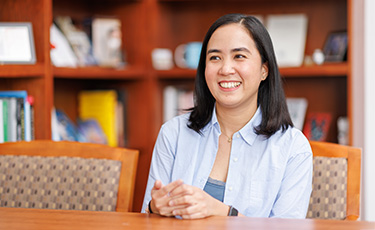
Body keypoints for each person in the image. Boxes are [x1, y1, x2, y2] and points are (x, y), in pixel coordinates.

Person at [141, 13, 312, 219]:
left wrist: (223, 212)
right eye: (215, 58)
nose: (225, 69)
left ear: (264, 70)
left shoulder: (293, 148)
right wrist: (154, 208)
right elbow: (146, 219)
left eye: (239, 56)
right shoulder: (173, 133)